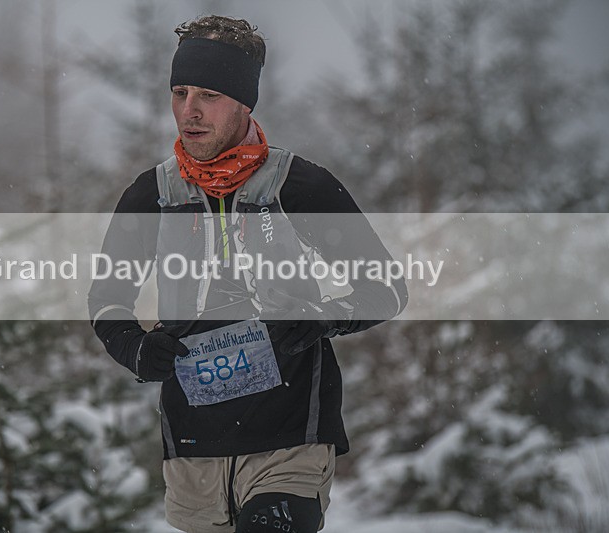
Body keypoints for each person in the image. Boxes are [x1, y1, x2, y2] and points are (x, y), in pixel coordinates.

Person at [88, 15, 407, 533]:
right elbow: (106, 299)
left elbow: (387, 289)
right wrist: (136, 349)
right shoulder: (152, 196)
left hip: (290, 440)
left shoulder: (300, 187)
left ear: (243, 103)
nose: (188, 111)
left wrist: (324, 317)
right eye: (179, 93)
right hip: (194, 450)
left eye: (208, 95)